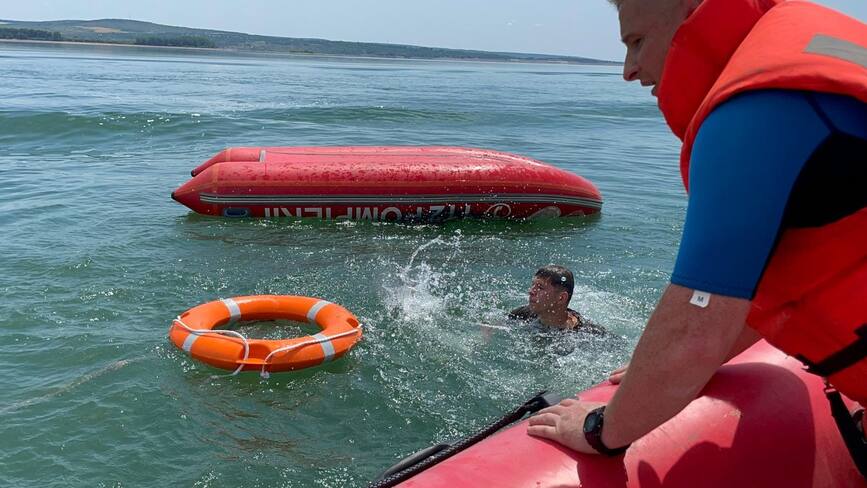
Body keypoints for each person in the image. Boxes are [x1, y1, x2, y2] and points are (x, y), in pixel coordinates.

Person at [527, 0, 867, 472]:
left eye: (638, 42)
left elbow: (696, 327)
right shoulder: (825, 53)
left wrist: (601, 426)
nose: (630, 70)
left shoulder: (754, 113)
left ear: (691, 10)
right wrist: (660, 375)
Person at [508, 265, 604, 334]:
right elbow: (499, 322)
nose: (531, 291)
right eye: (533, 285)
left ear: (561, 298)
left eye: (540, 287)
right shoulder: (523, 314)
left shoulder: (587, 333)